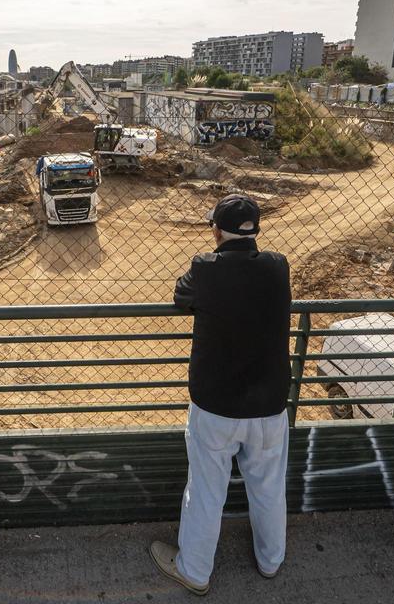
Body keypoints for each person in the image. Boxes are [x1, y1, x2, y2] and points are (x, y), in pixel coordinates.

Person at [150, 193, 292, 596]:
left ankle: (194, 571)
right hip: (269, 404)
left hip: (216, 405)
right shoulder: (278, 266)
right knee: (268, 486)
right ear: (256, 230)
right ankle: (271, 560)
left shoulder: (205, 268)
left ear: (216, 231)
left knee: (206, 490)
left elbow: (181, 296)